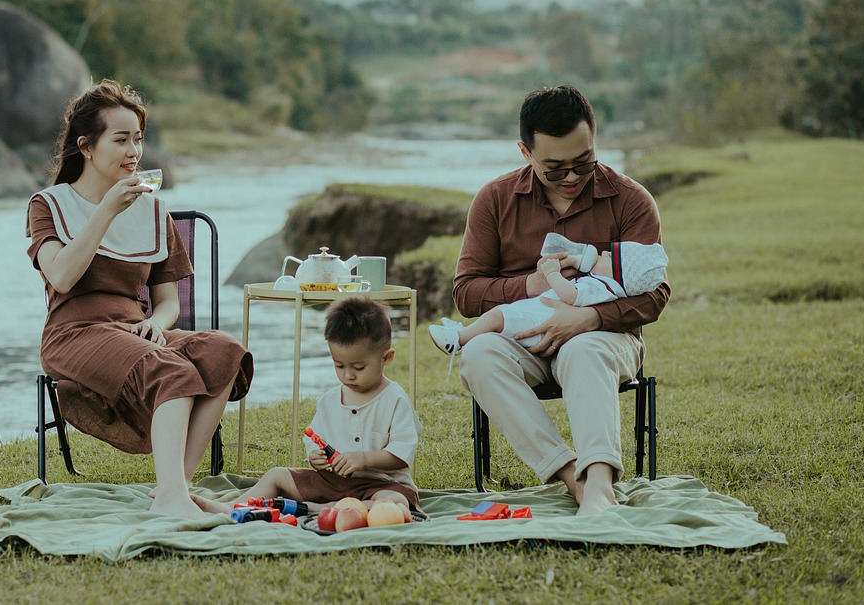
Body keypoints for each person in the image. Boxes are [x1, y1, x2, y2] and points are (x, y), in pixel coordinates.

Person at [26, 79, 253, 520]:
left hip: (135, 330)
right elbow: (64, 275)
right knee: (169, 368)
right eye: (121, 139)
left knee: (224, 351)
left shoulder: (153, 210)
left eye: (139, 139)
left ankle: (175, 489)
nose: (135, 151)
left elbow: (168, 301)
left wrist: (159, 324)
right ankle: (173, 496)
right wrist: (107, 209)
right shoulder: (49, 205)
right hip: (74, 335)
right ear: (86, 146)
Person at [452, 84, 669, 516]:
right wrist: (530, 286)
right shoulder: (494, 200)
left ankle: (602, 485)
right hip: (524, 340)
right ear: (525, 152)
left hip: (607, 339)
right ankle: (574, 479)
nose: (571, 177)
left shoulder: (631, 200)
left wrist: (588, 317)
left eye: (583, 163)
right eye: (554, 168)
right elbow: (466, 291)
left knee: (585, 349)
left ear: (594, 140)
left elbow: (656, 295)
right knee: (477, 355)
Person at [193, 296, 422, 515]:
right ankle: (233, 506)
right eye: (339, 365)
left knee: (395, 502)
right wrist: (316, 458)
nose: (348, 375)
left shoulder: (395, 399)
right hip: (333, 483)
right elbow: (315, 440)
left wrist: (364, 459)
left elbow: (401, 453)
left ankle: (320, 509)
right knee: (277, 475)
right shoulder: (330, 400)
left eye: (359, 367)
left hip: (381, 485)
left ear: (386, 357)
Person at [430, 236, 668, 367]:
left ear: (618, 274)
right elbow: (465, 292)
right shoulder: (604, 281)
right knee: (493, 329)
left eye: (608, 257)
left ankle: (458, 340)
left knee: (497, 316)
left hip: (541, 327)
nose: (603, 253)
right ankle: (464, 335)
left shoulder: (602, 287)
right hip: (539, 321)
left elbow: (571, 296)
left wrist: (553, 274)